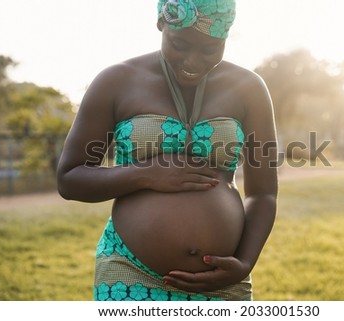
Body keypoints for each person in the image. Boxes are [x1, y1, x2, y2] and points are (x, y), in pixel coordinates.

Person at [57, 0, 278, 301]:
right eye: (180, 44)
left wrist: (244, 263)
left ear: (226, 36)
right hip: (129, 275)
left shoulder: (249, 88)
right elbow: (70, 178)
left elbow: (263, 193)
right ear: (162, 24)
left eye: (209, 49)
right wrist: (143, 174)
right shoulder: (117, 81)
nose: (192, 61)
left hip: (221, 280)